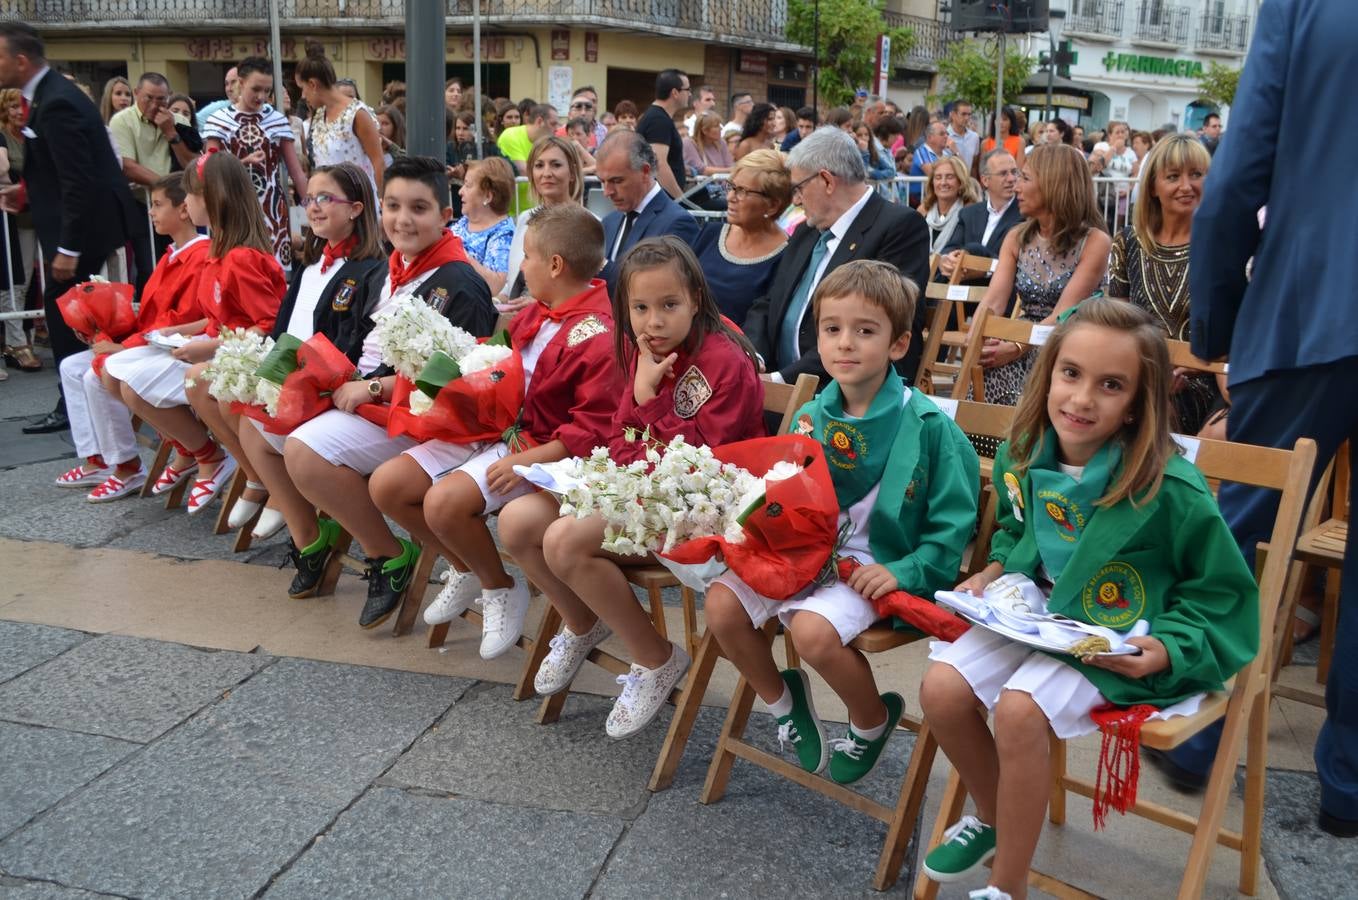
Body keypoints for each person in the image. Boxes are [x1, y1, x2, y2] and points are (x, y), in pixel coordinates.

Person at [919, 298, 1257, 898]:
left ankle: (1007, 884)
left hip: (1123, 635)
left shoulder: (1173, 489)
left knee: (1020, 712)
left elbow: (1222, 596)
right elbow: (1020, 530)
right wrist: (993, 567)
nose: (1080, 399)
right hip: (1041, 615)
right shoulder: (1030, 450)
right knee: (940, 690)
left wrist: (1163, 648)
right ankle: (998, 814)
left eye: (1110, 385)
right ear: (1048, 373)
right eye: (1070, 374)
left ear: (1136, 404)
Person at [1179, 0, 1358, 840]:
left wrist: (1217, 322)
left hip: (1310, 300)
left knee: (1241, 527)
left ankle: (1193, 729)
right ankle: (1349, 782)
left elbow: (1236, 176)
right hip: (1314, 296)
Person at [709, 259, 979, 779]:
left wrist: (907, 571)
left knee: (812, 633)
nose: (845, 344)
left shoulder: (927, 426)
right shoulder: (814, 413)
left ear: (899, 344)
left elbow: (952, 525)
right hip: (804, 551)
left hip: (875, 563)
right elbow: (790, 493)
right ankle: (784, 702)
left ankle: (872, 718)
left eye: (865, 331)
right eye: (832, 330)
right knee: (722, 607)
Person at [500, 236, 766, 735]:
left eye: (669, 305)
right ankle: (582, 622)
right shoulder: (640, 348)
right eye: (640, 308)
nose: (653, 321)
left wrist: (645, 399)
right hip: (643, 492)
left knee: (564, 541)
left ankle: (656, 657)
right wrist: (641, 400)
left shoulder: (722, 361)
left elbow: (699, 467)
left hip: (700, 513)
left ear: (696, 301)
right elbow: (622, 444)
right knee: (516, 522)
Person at [374, 203, 621, 651]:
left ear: (555, 265)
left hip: (538, 446)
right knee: (389, 485)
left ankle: (500, 584)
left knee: (444, 505)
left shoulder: (597, 333)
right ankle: (469, 568)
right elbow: (501, 360)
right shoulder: (538, 310)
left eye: (526, 256)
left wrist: (529, 457)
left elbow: (592, 429)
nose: (521, 266)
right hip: (494, 428)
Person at [282, 156, 496, 627]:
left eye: (419, 208)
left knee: (301, 450)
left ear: (445, 217)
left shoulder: (460, 282)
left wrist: (374, 388)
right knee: (267, 422)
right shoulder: (389, 270)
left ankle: (387, 553)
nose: (403, 219)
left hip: (428, 423)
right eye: (394, 205)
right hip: (374, 405)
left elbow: (463, 377)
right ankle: (321, 538)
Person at [232, 163, 387, 583]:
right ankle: (309, 537)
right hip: (297, 381)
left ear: (356, 208)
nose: (313, 208)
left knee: (269, 428)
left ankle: (373, 545)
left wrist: (305, 384)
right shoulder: (311, 265)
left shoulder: (371, 269)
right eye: (309, 200)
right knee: (247, 421)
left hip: (330, 389)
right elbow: (285, 331)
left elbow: (354, 346)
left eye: (325, 199)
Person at [117, 151, 286, 515]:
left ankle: (254, 473)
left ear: (211, 199)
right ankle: (246, 469)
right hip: (221, 350)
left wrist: (210, 345)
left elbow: (270, 326)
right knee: (122, 371)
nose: (186, 202)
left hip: (251, 360)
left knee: (195, 381)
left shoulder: (241, 257)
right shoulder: (220, 252)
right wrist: (189, 334)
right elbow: (220, 316)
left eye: (190, 195)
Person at [0, 23, 145, 435]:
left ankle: (79, 406)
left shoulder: (57, 102)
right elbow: (53, 167)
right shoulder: (44, 97)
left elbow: (77, 179)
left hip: (82, 233)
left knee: (69, 318)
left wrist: (68, 248)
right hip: (75, 229)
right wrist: (25, 193)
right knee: (71, 317)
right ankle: (86, 402)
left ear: (21, 60)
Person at [53, 173, 207, 500]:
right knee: (70, 366)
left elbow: (182, 319)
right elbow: (154, 314)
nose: (150, 212)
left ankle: (127, 466)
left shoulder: (198, 255)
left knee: (97, 376)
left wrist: (121, 345)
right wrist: (104, 327)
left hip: (175, 347)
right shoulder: (172, 253)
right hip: (149, 340)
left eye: (157, 204)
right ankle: (98, 459)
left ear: (183, 210)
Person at [743, 127, 931, 386]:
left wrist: (778, 380)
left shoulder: (900, 227)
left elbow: (873, 332)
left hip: (845, 395)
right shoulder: (806, 231)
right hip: (777, 384)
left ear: (827, 181)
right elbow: (769, 302)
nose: (796, 200)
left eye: (798, 188)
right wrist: (753, 356)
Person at [975, 144, 1109, 408]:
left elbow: (1063, 315)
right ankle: (981, 445)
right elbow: (993, 301)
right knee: (980, 371)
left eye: (1025, 178)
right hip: (1022, 336)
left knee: (1013, 373)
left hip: (1069, 343)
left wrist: (1013, 347)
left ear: (1053, 184)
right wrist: (977, 338)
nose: (1016, 187)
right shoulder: (1016, 236)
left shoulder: (1095, 242)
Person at [1107, 134, 1216, 434]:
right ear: (1153, 186)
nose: (1186, 186)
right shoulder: (1129, 242)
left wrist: (1194, 363)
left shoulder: (1221, 246)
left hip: (1203, 379)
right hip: (1136, 372)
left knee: (1159, 412)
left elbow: (1233, 334)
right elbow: (1116, 324)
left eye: (1196, 175)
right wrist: (1148, 372)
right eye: (1173, 177)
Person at [202, 56, 308, 269]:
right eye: (256, 89)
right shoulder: (219, 120)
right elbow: (209, 168)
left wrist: (312, 206)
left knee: (273, 272)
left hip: (271, 210)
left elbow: (296, 172)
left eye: (267, 91)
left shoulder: (277, 120)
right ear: (240, 83)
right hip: (232, 206)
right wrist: (240, 163)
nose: (261, 96)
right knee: (235, 269)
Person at [691, 149, 790, 326]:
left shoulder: (786, 257)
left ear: (773, 205)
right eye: (731, 186)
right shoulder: (710, 234)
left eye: (742, 191)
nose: (730, 197)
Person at [597, 131, 699, 292]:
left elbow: (656, 290)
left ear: (645, 171)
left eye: (617, 181)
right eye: (602, 182)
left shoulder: (678, 223)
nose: (607, 192)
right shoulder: (610, 221)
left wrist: (597, 263)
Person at [500, 134, 587, 305]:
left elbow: (586, 288)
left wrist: (538, 304)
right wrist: (498, 300)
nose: (547, 173)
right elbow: (514, 280)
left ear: (572, 172)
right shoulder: (525, 218)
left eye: (556, 165)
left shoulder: (587, 224)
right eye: (539, 165)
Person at [295, 40, 383, 196]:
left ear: (313, 84)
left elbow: (378, 163)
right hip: (328, 203)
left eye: (302, 88)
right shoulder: (320, 115)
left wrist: (381, 203)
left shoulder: (357, 114)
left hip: (358, 202)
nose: (302, 96)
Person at [938, 149, 1022, 280]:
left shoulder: (1025, 214)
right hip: (962, 288)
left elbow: (1020, 262)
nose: (1011, 179)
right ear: (985, 180)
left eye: (1014, 172)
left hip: (1001, 288)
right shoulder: (968, 214)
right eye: (1003, 173)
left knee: (975, 249)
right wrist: (946, 261)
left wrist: (983, 267)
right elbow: (950, 248)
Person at [110, 72, 196, 199]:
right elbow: (127, 166)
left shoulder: (181, 121)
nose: (154, 105)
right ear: (136, 93)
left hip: (178, 201)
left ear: (169, 96)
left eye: (161, 99)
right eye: (149, 98)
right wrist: (167, 187)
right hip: (139, 201)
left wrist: (171, 133)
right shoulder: (121, 120)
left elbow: (193, 164)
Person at [0, 86, 37, 375]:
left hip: (42, 216)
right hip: (17, 220)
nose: (18, 112)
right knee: (18, 281)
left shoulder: (35, 135)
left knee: (45, 281)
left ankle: (32, 337)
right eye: (12, 106)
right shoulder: (3, 137)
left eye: (22, 106)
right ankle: (16, 342)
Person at [451, 156, 516, 296]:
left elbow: (496, 286)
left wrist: (457, 253)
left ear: (488, 196)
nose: (460, 191)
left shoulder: (503, 234)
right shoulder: (464, 221)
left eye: (468, 186)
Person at [637, 68, 691, 198]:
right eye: (687, 89)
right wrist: (681, 200)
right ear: (675, 93)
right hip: (662, 200)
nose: (690, 94)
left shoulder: (659, 118)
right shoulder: (658, 120)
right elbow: (658, 163)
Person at [496, 102, 558, 213]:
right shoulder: (511, 135)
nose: (556, 129)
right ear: (539, 121)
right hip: (513, 212)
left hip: (539, 209)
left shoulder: (546, 142)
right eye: (553, 124)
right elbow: (524, 171)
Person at [919, 155, 979, 255]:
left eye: (949, 177)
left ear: (961, 181)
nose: (943, 182)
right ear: (932, 182)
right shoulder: (923, 210)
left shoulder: (971, 212)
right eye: (938, 177)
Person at [908, 122, 951, 205]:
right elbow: (933, 173)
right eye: (942, 134)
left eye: (947, 133)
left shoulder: (947, 153)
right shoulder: (921, 151)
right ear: (930, 137)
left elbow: (961, 172)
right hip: (920, 200)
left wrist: (956, 152)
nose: (946, 136)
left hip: (940, 198)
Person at [684, 111, 733, 177]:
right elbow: (702, 170)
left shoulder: (721, 143)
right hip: (702, 186)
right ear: (704, 131)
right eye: (716, 126)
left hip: (724, 184)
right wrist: (729, 170)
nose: (721, 128)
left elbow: (730, 165)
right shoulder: (689, 143)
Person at [196, 66, 238, 131]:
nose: (229, 89)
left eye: (233, 82)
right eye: (226, 84)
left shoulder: (258, 107)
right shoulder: (218, 108)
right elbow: (194, 123)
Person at [946, 100, 980, 173]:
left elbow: (974, 165)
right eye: (963, 114)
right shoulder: (944, 136)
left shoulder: (974, 137)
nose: (967, 118)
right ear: (953, 115)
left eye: (969, 114)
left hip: (968, 181)